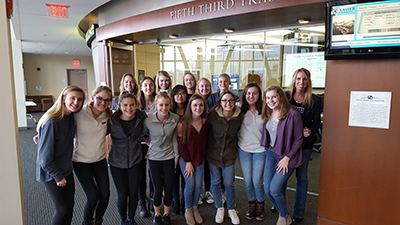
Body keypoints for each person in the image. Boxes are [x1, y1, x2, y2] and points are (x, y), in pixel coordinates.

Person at [36, 85, 85, 225]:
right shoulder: (52, 121)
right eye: (72, 98)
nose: (76, 102)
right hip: (52, 172)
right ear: (64, 99)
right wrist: (58, 176)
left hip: (65, 169)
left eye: (79, 99)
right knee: (62, 209)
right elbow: (45, 159)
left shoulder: (69, 117)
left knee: (70, 206)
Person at [261, 85, 304, 225]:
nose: (271, 100)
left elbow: (299, 139)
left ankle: (283, 215)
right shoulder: (268, 112)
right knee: (267, 190)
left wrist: (287, 157)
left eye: (274, 96)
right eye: (268, 97)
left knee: (274, 189)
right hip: (272, 153)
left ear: (280, 96)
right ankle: (285, 214)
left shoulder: (293, 113)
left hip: (287, 156)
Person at [285, 68, 322, 223]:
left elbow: (316, 124)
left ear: (309, 81)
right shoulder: (286, 97)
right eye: (299, 78)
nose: (301, 82)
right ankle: (279, 205)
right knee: (282, 177)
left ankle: (299, 212)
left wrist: (310, 131)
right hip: (287, 143)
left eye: (305, 79)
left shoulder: (315, 100)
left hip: (305, 144)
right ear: (294, 80)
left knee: (302, 177)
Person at [72, 86, 112, 225]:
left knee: (105, 195)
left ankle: (98, 221)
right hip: (81, 161)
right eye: (100, 98)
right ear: (93, 97)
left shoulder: (107, 115)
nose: (103, 102)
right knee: (93, 197)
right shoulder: (79, 112)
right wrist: (40, 132)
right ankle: (87, 223)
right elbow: (56, 120)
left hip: (99, 160)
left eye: (107, 100)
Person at [108, 92, 148, 225]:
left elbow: (151, 128)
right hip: (116, 161)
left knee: (133, 192)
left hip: (135, 160)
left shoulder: (141, 117)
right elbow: (95, 130)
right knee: (122, 193)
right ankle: (123, 219)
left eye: (132, 105)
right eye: (125, 105)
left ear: (136, 105)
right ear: (119, 106)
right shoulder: (112, 120)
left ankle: (131, 219)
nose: (129, 108)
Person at [207, 90, 243, 225]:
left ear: (235, 101)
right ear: (220, 102)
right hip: (213, 153)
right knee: (215, 181)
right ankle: (219, 208)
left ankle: (231, 209)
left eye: (231, 100)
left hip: (229, 153)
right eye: (225, 100)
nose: (228, 103)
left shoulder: (239, 116)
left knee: (229, 183)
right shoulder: (212, 114)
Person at [145, 93, 180, 225]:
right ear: (156, 106)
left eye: (166, 105)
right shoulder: (148, 121)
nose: (164, 108)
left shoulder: (175, 119)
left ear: (170, 105)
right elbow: (143, 134)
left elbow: (175, 139)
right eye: (161, 105)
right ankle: (157, 214)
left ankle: (166, 214)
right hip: (154, 158)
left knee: (169, 187)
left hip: (169, 157)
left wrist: (176, 157)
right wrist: (148, 142)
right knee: (157, 188)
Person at [177, 94, 209, 225]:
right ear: (190, 106)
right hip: (186, 160)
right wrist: (188, 162)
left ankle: (195, 209)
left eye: (201, 105)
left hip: (200, 159)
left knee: (199, 186)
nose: (198, 107)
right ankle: (188, 210)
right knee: (190, 185)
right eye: (195, 105)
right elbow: (181, 145)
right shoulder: (182, 123)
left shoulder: (205, 122)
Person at [237, 83, 266, 221]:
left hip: (260, 149)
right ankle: (251, 204)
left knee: (257, 180)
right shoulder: (239, 109)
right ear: (245, 94)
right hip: (244, 149)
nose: (251, 96)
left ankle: (260, 205)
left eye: (254, 93)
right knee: (248, 181)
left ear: (259, 95)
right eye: (248, 93)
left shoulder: (265, 109)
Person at [137, 76, 157, 217]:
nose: (149, 87)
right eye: (146, 85)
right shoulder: (136, 103)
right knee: (140, 174)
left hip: (156, 144)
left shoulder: (159, 101)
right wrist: (144, 137)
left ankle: (152, 200)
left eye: (151, 85)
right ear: (141, 87)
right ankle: (141, 202)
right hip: (140, 144)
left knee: (153, 174)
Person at [195, 77, 214, 205]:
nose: (204, 88)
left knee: (208, 168)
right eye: (202, 86)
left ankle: (207, 191)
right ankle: (199, 193)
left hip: (210, 139)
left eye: (207, 86)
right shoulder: (195, 101)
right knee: (198, 169)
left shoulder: (214, 100)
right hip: (198, 140)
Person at [170, 85, 188, 215]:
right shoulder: (169, 112)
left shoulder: (190, 110)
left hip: (187, 149)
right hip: (172, 149)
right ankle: (176, 200)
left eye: (182, 93)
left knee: (186, 177)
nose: (180, 96)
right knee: (174, 177)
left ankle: (184, 201)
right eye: (177, 94)